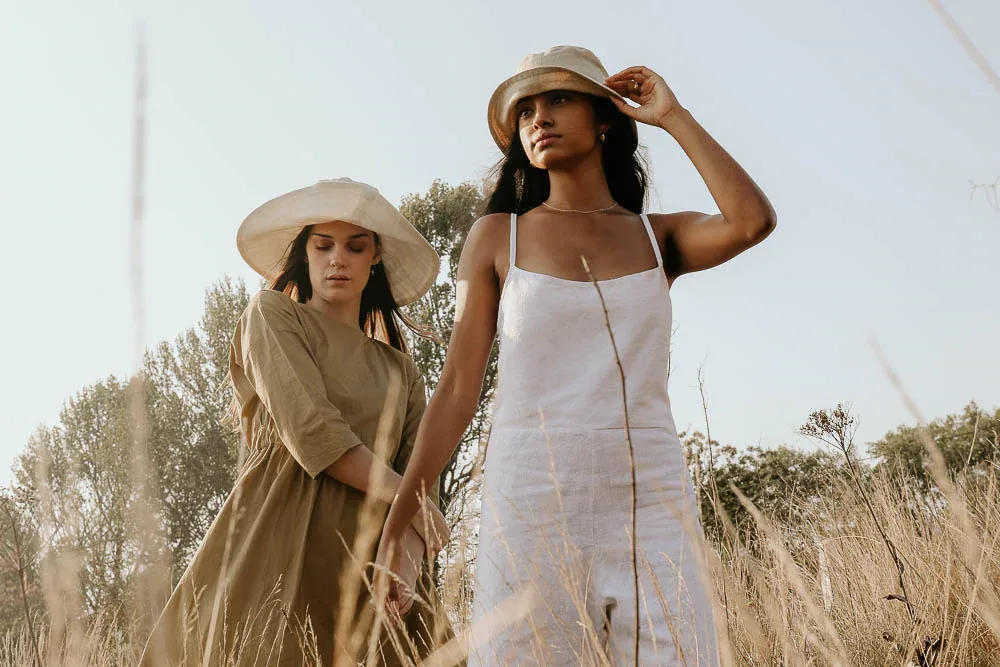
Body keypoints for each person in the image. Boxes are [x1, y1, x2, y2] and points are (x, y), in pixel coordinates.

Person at [377, 46, 776, 665]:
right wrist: (400, 525)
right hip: (530, 492)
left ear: (606, 117)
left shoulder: (659, 236)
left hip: (649, 493)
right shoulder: (497, 237)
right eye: (526, 110)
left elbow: (751, 221)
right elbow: (456, 389)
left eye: (559, 99)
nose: (539, 117)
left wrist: (671, 117)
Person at [139, 178, 453, 666]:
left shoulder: (401, 370)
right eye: (323, 245)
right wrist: (411, 502)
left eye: (355, 246)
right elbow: (314, 432)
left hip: (378, 563)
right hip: (279, 542)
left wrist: (407, 563)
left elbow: (421, 474)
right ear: (304, 253)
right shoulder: (271, 315)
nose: (337, 259)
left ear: (375, 256)